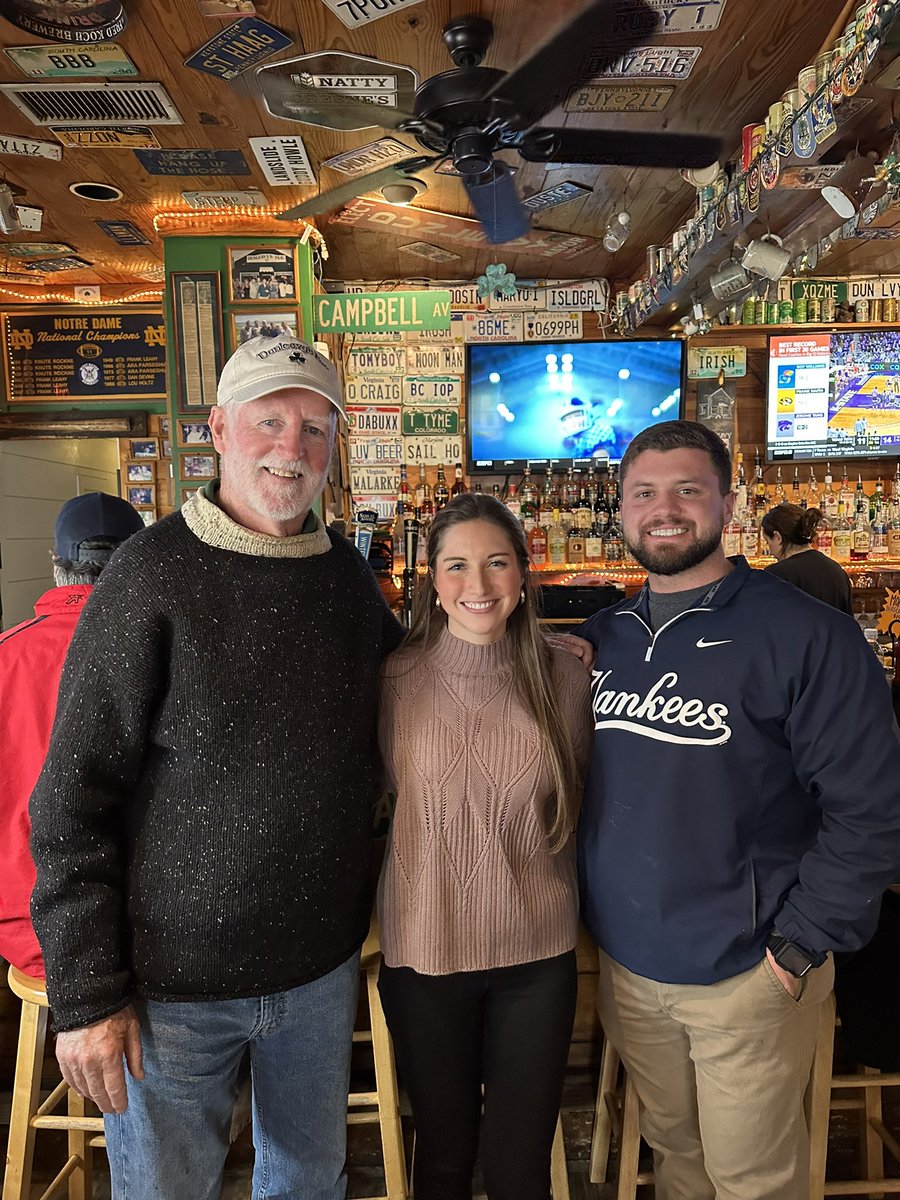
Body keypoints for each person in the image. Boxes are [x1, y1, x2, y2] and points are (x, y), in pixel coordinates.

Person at [29, 334, 404, 1200]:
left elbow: (415, 695)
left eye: (316, 429)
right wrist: (86, 994)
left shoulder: (345, 577)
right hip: (169, 990)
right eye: (270, 421)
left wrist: (527, 663)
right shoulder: (148, 576)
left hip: (317, 971)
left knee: (308, 1184)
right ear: (220, 430)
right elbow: (71, 799)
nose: (292, 449)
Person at [573, 420, 900, 1200]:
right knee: (678, 1162)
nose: (665, 509)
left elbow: (871, 809)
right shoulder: (600, 639)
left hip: (748, 974)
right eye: (644, 493)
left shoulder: (806, 635)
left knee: (753, 1182)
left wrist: (798, 950)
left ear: (727, 501)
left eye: (688, 490)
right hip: (628, 968)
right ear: (621, 510)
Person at [376, 493, 592, 1200]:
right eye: (458, 566)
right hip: (426, 952)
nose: (478, 584)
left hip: (539, 955)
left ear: (523, 575)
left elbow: (583, 797)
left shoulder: (566, 675)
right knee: (441, 1158)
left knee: (518, 1168)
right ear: (433, 583)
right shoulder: (391, 681)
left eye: (497, 563)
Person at [0, 492, 144, 977]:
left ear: (56, 565)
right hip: (150, 933)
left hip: (25, 932)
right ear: (140, 562)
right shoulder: (165, 655)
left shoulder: (5, 658)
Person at [761, 502, 852, 613]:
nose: (770, 551)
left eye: (767, 542)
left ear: (777, 537)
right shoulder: (836, 570)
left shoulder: (775, 574)